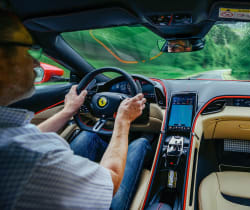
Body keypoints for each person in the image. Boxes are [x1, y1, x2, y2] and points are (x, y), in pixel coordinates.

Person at [0, 10, 151, 209]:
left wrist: (68, 111)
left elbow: (26, 137)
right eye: (27, 51)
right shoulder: (35, 159)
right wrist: (123, 121)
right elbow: (112, 181)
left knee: (90, 136)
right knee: (140, 143)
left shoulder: (10, 137)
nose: (36, 62)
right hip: (105, 196)